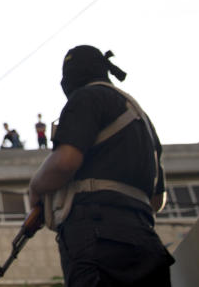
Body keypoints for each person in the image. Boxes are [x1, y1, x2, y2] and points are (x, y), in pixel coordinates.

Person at [28, 46, 174, 286]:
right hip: (148, 244)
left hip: (98, 240)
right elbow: (157, 201)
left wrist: (36, 188)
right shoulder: (141, 119)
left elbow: (66, 161)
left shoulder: (87, 97)